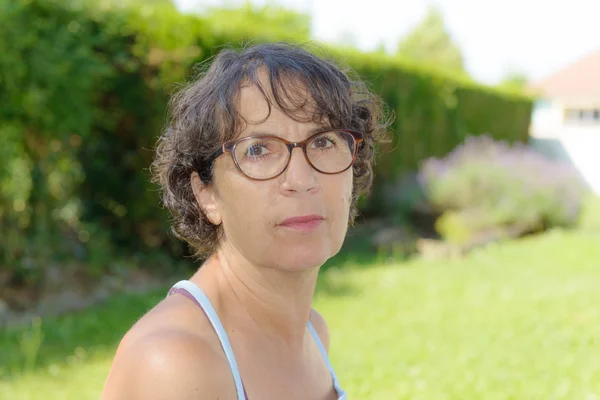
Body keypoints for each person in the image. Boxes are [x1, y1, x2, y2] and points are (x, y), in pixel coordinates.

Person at [101, 42, 388, 399]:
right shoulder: (174, 363)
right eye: (257, 150)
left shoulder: (313, 332)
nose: (301, 179)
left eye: (324, 141)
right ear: (206, 193)